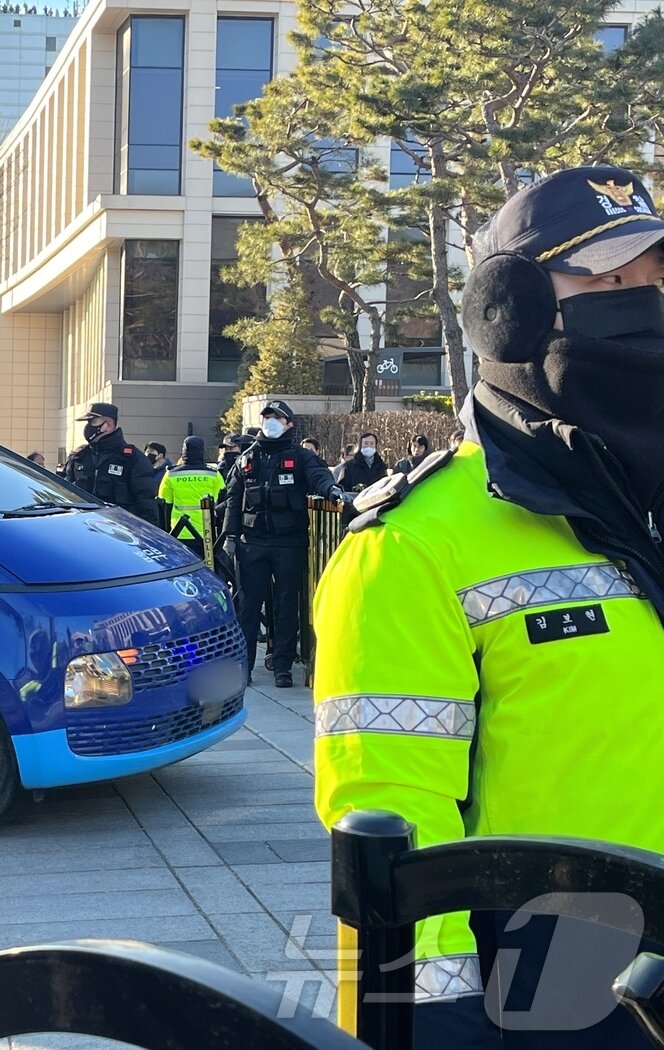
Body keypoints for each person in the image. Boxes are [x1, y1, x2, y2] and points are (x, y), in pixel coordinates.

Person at [313, 165, 664, 1048]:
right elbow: (392, 833)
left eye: (656, 282)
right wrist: (434, 1025)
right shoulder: (412, 544)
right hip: (563, 983)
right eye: (611, 282)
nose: (644, 305)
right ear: (508, 311)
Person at [222, 400, 350, 688]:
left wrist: (331, 490)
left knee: (285, 605)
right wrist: (230, 537)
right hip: (252, 542)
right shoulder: (247, 457)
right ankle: (244, 668)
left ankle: (282, 666)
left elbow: (318, 477)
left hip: (288, 542)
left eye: (278, 418)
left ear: (289, 424)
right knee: (248, 607)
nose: (271, 422)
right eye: (267, 417)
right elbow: (233, 498)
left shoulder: (300, 456)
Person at [62, 402, 159, 525]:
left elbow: (146, 502)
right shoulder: (79, 457)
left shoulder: (131, 459)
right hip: (83, 530)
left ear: (108, 424)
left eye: (92, 422)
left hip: (120, 532)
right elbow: (65, 495)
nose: (88, 427)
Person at [158, 436, 224, 557]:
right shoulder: (214, 474)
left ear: (183, 451)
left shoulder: (171, 474)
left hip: (179, 531)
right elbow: (220, 501)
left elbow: (164, 501)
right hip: (206, 533)